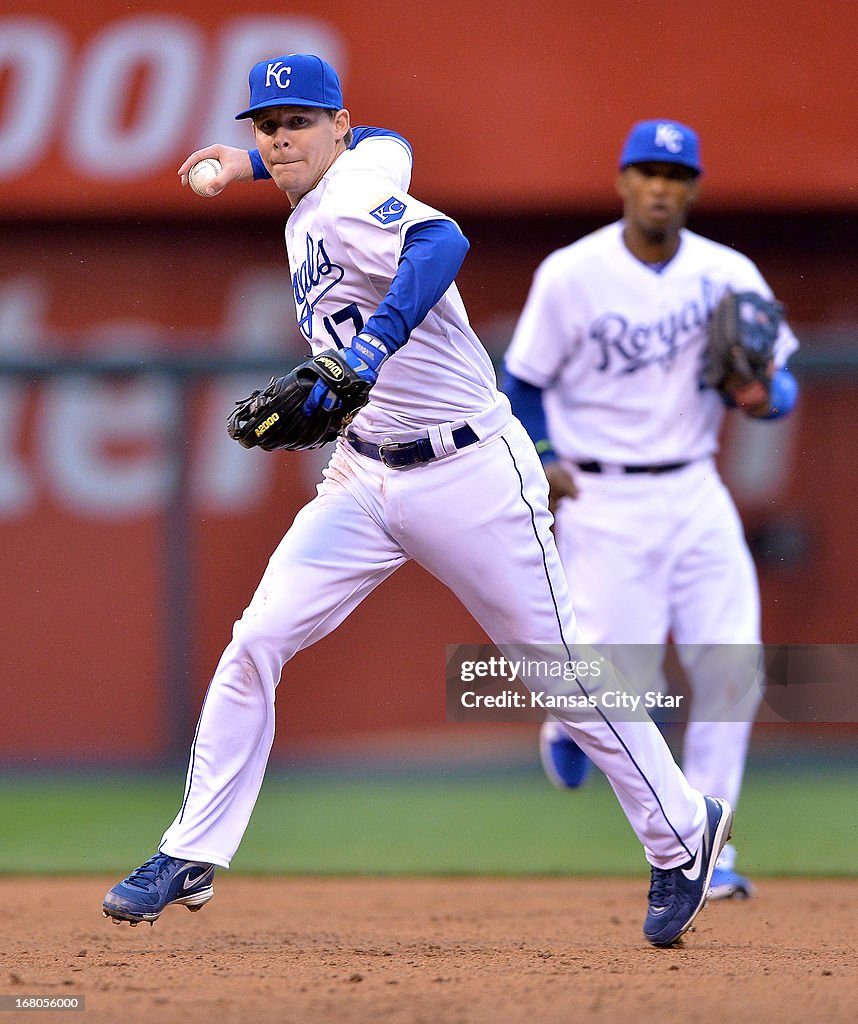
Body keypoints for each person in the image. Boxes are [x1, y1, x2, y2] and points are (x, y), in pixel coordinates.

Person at [101, 61, 733, 947]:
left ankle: (681, 834)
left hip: (470, 472)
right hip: (363, 477)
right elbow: (384, 141)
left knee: (561, 666)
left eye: (299, 121)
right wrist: (254, 168)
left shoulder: (352, 197)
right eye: (266, 124)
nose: (280, 136)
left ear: (335, 123)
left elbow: (442, 244)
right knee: (258, 640)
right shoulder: (357, 165)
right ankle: (192, 849)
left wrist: (365, 357)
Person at [502, 118, 799, 901]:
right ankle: (569, 724)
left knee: (731, 665)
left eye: (675, 174)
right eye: (647, 171)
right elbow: (522, 379)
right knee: (620, 684)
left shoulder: (730, 273)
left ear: (693, 188)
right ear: (623, 182)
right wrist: (540, 454)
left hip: (696, 487)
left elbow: (780, 382)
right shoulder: (573, 272)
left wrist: (764, 395)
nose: (661, 186)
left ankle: (710, 846)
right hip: (601, 494)